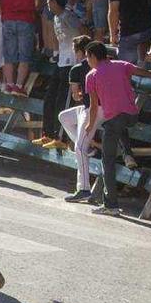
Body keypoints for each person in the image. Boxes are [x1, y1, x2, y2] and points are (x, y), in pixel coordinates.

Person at [84, 41, 151, 215]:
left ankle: (111, 205)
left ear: (93, 56)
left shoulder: (92, 75)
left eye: (87, 57)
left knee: (108, 161)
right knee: (119, 126)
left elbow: (94, 106)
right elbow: (146, 73)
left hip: (114, 120)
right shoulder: (121, 65)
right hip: (131, 115)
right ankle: (128, 154)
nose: (87, 60)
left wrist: (90, 125)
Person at [35, 0, 81, 149]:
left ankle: (61, 138)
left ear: (55, 1)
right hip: (61, 62)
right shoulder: (55, 18)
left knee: (64, 101)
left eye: (48, 0)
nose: (47, 3)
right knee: (49, 98)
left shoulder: (69, 16)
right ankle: (47, 134)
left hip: (71, 64)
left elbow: (82, 31)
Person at [59, 35, 99, 202]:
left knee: (79, 149)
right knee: (64, 116)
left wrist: (82, 93)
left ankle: (83, 188)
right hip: (96, 107)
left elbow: (76, 95)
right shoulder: (101, 64)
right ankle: (87, 145)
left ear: (81, 52)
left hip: (91, 108)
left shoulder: (76, 69)